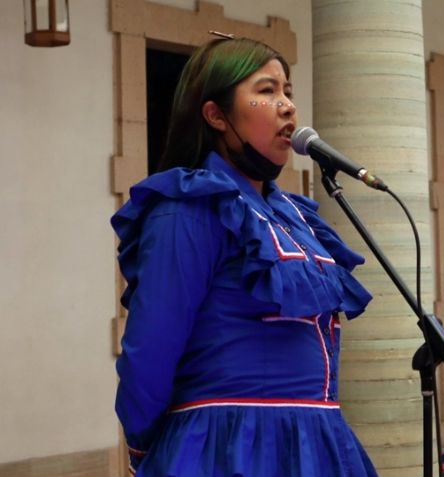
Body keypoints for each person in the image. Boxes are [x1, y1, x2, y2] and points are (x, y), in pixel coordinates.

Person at [111, 36, 377, 476]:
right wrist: (146, 451)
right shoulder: (190, 207)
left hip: (317, 443)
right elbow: (150, 348)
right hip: (228, 447)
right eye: (266, 91)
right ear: (216, 115)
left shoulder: (294, 216)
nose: (288, 105)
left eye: (287, 90)